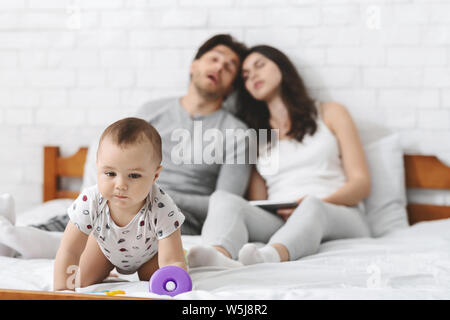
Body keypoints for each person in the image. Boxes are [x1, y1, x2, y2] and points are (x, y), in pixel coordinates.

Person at [0, 34, 251, 259]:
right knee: (88, 211)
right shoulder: (151, 112)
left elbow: (224, 203)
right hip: (125, 192)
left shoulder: (238, 134)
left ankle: (34, 243)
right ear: (194, 65)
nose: (220, 66)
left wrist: (151, 190)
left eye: (230, 66)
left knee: (129, 228)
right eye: (214, 58)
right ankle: (21, 236)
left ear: (232, 86)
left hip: (174, 215)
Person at [187, 45, 371, 268]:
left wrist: (309, 204)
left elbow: (361, 183)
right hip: (281, 220)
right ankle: (216, 257)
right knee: (223, 199)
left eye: (260, 65)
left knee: (312, 205)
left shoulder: (331, 112)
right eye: (245, 75)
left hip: (339, 213)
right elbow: (260, 199)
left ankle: (270, 256)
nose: (252, 75)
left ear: (282, 67)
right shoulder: (256, 136)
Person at [53, 118, 186, 291]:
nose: (120, 185)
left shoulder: (161, 206)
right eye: (110, 173)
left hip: (150, 255)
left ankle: (189, 256)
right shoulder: (90, 201)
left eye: (134, 176)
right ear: (97, 168)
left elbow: (171, 260)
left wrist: (177, 273)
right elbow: (69, 250)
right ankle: (106, 271)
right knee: (79, 281)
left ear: (154, 175)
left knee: (157, 283)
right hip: (104, 249)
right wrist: (62, 292)